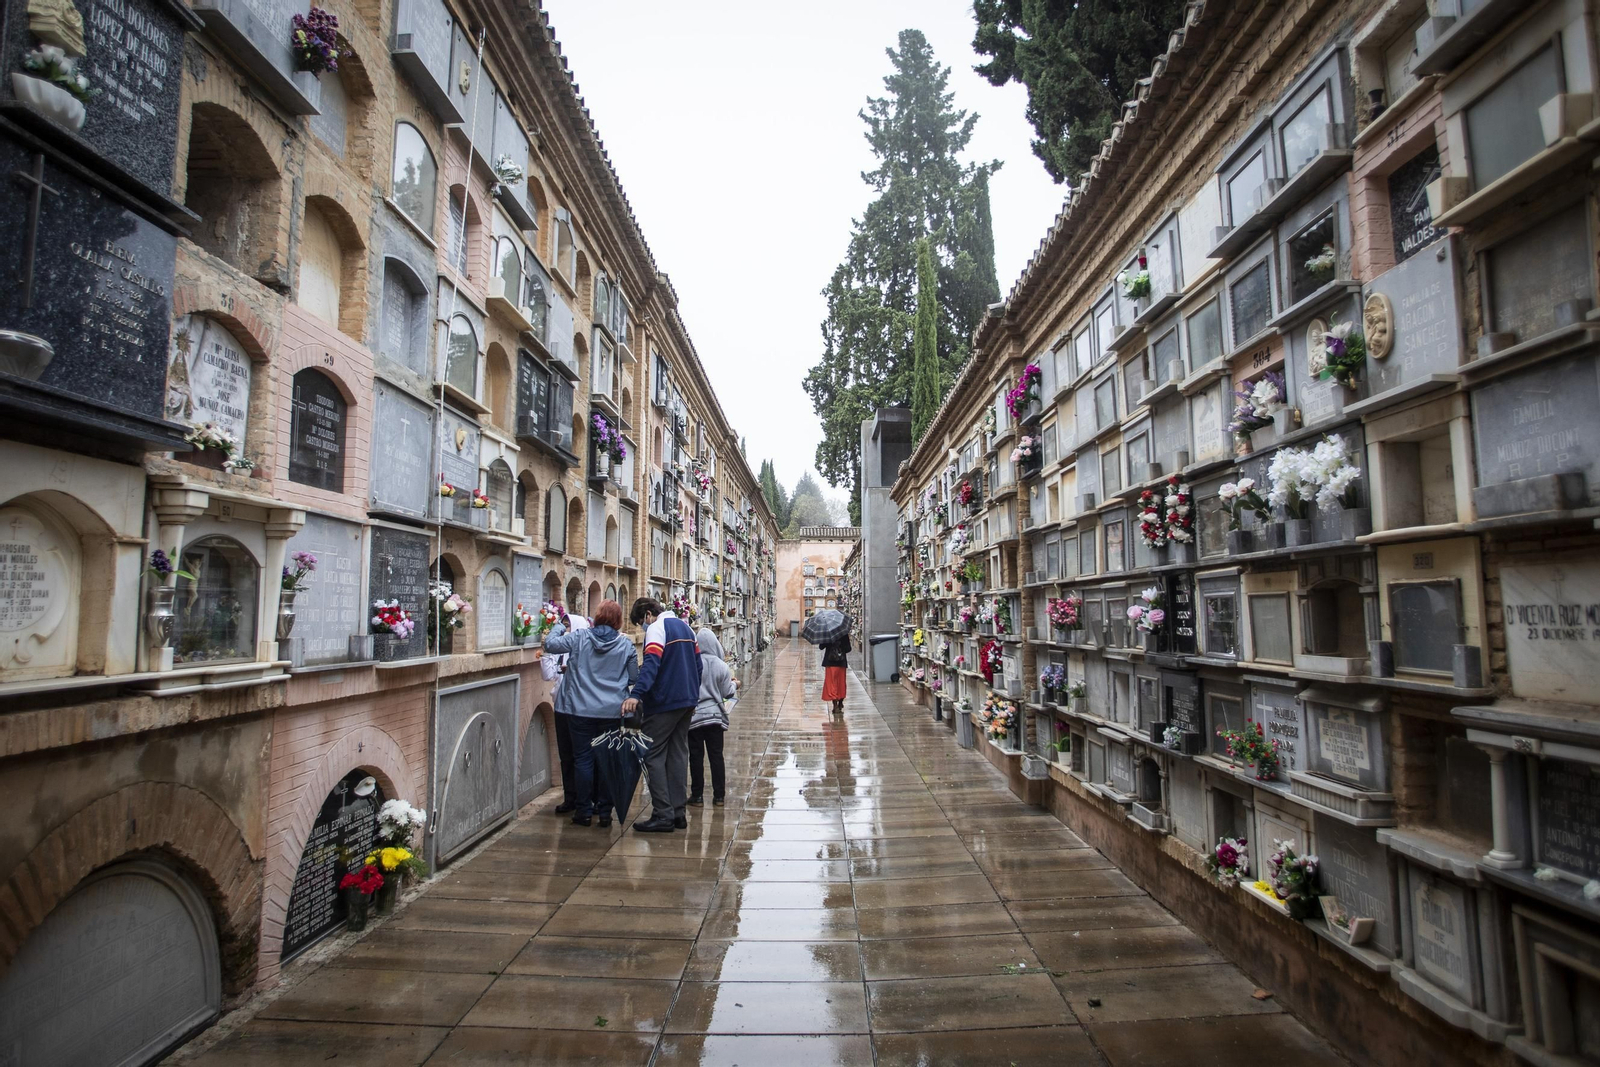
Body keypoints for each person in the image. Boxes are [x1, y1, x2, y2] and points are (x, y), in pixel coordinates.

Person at [538, 601, 636, 827]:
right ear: (619, 620)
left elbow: (551, 645)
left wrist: (560, 625)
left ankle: (583, 811)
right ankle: (604, 813)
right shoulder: (626, 645)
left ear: (598, 616)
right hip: (612, 712)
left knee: (583, 759)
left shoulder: (580, 637)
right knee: (607, 761)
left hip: (579, 710)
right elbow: (633, 677)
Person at [622, 597, 702, 833]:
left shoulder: (657, 629)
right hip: (687, 701)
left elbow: (651, 664)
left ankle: (663, 814)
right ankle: (678, 813)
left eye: (641, 621)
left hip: (665, 702)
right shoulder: (686, 627)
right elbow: (698, 666)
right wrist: (692, 694)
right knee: (678, 754)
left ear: (648, 614)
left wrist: (636, 694)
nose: (643, 627)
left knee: (652, 754)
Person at [687, 627, 737, 807]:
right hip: (715, 717)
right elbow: (727, 693)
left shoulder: (691, 662)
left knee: (696, 757)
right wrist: (734, 684)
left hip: (695, 718)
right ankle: (719, 797)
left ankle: (697, 796)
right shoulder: (721, 665)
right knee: (716, 756)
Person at [544, 609, 586, 814]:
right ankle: (570, 797)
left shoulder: (585, 647)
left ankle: (585, 800)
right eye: (564, 626)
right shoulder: (561, 648)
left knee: (582, 757)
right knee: (566, 755)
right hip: (561, 705)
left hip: (580, 707)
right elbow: (549, 674)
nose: (566, 630)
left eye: (569, 626)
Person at [821, 630, 851, 714]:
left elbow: (821, 646)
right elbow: (848, 648)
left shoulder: (827, 632)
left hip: (830, 662)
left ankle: (835, 705)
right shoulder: (843, 633)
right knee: (841, 683)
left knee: (831, 683)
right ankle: (840, 702)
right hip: (841, 662)